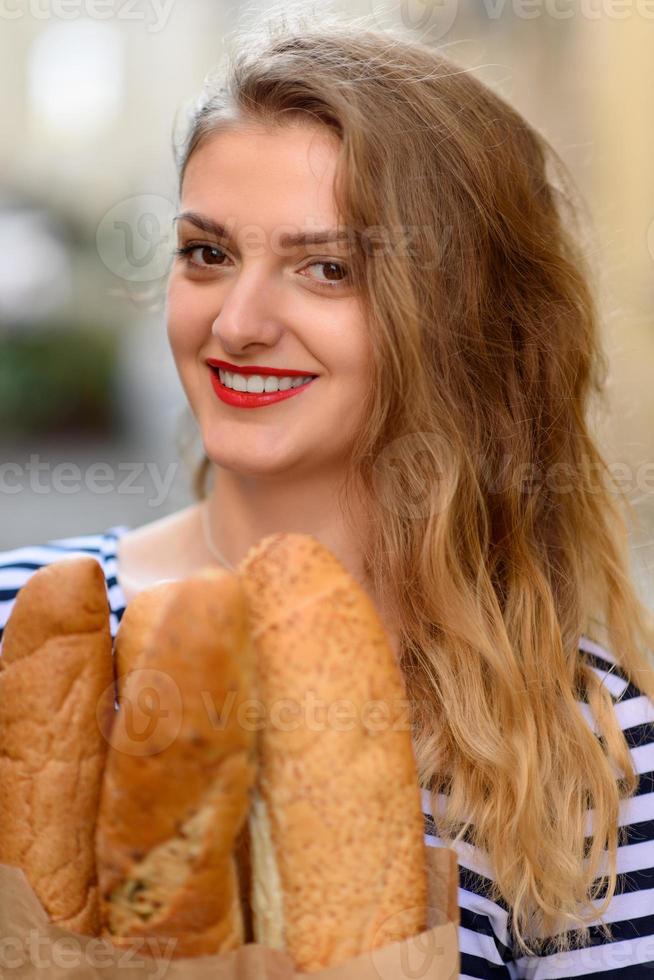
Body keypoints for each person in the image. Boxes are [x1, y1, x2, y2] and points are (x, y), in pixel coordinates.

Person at [2, 14, 653, 976]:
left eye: (329, 269)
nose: (238, 320)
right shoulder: (22, 626)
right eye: (207, 252)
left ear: (463, 322)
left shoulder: (573, 737)